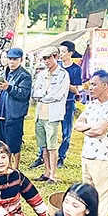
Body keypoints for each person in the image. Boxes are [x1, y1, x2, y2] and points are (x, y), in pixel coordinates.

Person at [74, 70, 108, 216]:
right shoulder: (92, 104)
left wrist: (89, 128)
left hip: (103, 156)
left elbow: (99, 131)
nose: (90, 87)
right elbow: (77, 124)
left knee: (104, 191)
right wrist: (92, 127)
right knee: (88, 190)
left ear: (105, 86)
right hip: (87, 153)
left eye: (94, 84)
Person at [32, 41, 83, 169]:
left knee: (66, 132)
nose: (61, 54)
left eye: (63, 52)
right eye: (59, 52)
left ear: (70, 53)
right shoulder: (49, 70)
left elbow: (74, 90)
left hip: (67, 102)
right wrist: (48, 92)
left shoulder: (73, 70)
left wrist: (63, 85)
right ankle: (42, 158)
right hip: (47, 107)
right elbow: (37, 91)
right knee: (45, 134)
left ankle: (61, 157)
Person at [31, 47, 69, 183]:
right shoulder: (42, 74)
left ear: (56, 57)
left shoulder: (63, 74)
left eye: (49, 58)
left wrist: (43, 96)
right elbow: (35, 93)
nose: (46, 61)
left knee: (52, 146)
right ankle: (47, 171)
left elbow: (57, 94)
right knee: (43, 146)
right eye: (44, 59)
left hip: (53, 115)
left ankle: (53, 174)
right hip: (40, 114)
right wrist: (44, 94)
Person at [0, 48, 32, 170]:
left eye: (15, 59)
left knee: (15, 143)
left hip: (15, 113)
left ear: (20, 60)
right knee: (3, 141)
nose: (11, 62)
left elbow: (23, 94)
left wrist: (9, 87)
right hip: (3, 112)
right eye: (10, 59)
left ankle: (16, 168)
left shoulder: (24, 75)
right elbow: (0, 89)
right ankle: (7, 165)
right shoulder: (5, 72)